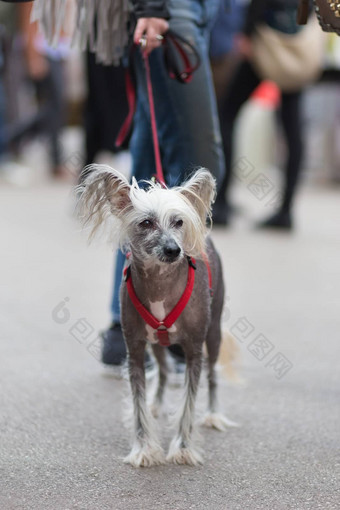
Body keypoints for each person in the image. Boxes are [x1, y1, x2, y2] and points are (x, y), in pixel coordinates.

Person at [213, 0, 308, 229]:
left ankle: (222, 203)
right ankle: (286, 210)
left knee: (226, 115)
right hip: (294, 44)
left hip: (265, 40)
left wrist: (246, 32)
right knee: (292, 127)